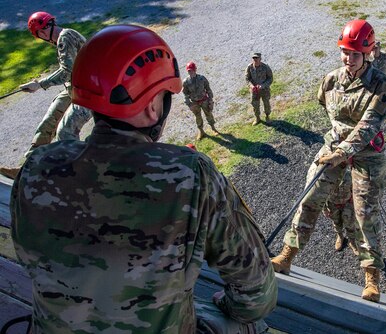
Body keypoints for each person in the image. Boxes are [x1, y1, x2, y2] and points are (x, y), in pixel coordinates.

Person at [10, 24, 277, 333]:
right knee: (255, 325)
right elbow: (257, 296)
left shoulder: (36, 166)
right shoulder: (191, 174)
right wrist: (225, 304)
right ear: (153, 107)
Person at [271, 19, 386, 303]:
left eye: (355, 54)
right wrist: (336, 148)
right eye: (344, 52)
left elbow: (369, 125)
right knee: (310, 198)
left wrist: (343, 153)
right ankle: (287, 255)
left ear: (368, 53)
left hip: (367, 155)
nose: (348, 59)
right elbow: (327, 107)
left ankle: (372, 278)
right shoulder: (330, 79)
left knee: (365, 214)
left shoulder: (381, 85)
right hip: (334, 147)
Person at [0, 11, 91, 179]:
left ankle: (78, 176)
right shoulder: (64, 37)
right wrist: (41, 81)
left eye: (39, 34)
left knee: (65, 132)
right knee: (49, 121)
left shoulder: (65, 37)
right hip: (74, 88)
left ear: (41, 33)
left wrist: (40, 84)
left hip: (89, 91)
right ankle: (27, 168)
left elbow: (66, 71)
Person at [322, 166, 360, 255]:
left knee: (350, 223)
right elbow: (321, 193)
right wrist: (324, 209)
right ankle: (340, 236)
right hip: (332, 204)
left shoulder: (349, 173)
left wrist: (355, 200)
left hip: (348, 203)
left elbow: (355, 187)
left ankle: (352, 241)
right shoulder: (326, 175)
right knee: (336, 222)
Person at [182, 60, 218, 140]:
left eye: (191, 70)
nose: (190, 72)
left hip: (204, 100)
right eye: (189, 71)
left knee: (209, 114)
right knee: (198, 117)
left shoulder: (202, 78)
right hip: (195, 103)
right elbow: (185, 94)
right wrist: (189, 104)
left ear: (195, 70)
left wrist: (210, 100)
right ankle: (201, 131)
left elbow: (208, 89)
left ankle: (213, 128)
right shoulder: (186, 82)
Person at [245, 52, 273, 125]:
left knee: (266, 103)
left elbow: (270, 78)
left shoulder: (265, 67)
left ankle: (267, 116)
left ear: (260, 59)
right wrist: (251, 86)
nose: (255, 60)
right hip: (254, 91)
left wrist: (263, 85)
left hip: (264, 90)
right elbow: (247, 78)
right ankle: (257, 118)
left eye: (257, 58)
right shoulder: (250, 67)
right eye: (254, 58)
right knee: (255, 105)